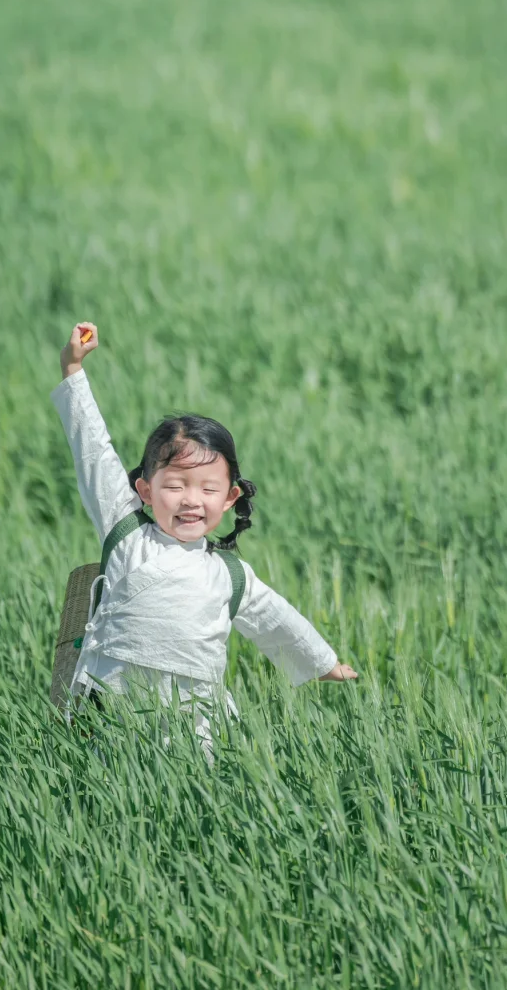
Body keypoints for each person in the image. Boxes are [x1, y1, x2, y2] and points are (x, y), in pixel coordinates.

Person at [52, 319, 357, 753]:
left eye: (208, 489)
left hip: (194, 724)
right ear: (145, 490)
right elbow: (93, 450)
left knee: (195, 792)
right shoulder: (126, 533)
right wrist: (73, 369)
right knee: (107, 788)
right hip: (111, 712)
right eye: (175, 485)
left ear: (230, 497)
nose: (191, 500)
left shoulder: (229, 575)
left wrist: (323, 664)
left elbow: (277, 621)